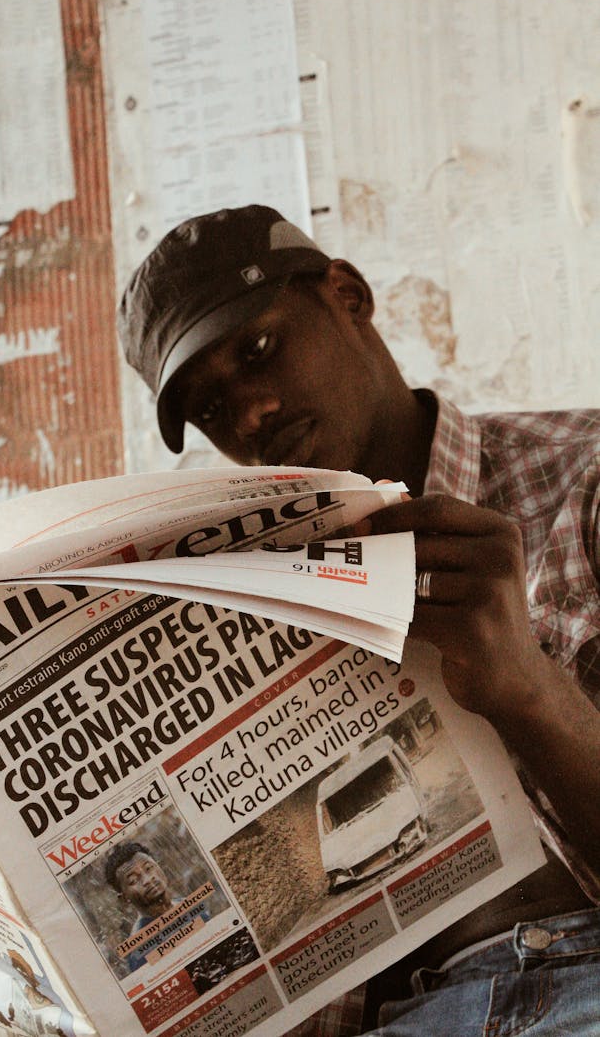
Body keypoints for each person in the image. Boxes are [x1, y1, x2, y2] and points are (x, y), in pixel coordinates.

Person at [117, 205, 600, 1034]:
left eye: (258, 351)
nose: (251, 416)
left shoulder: (580, 481)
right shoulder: (241, 597)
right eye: (208, 408)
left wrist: (530, 691)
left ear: (349, 295)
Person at [104, 840, 210, 973]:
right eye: (133, 881)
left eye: (148, 868)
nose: (148, 880)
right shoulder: (139, 951)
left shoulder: (191, 904)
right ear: (125, 898)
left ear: (158, 865)